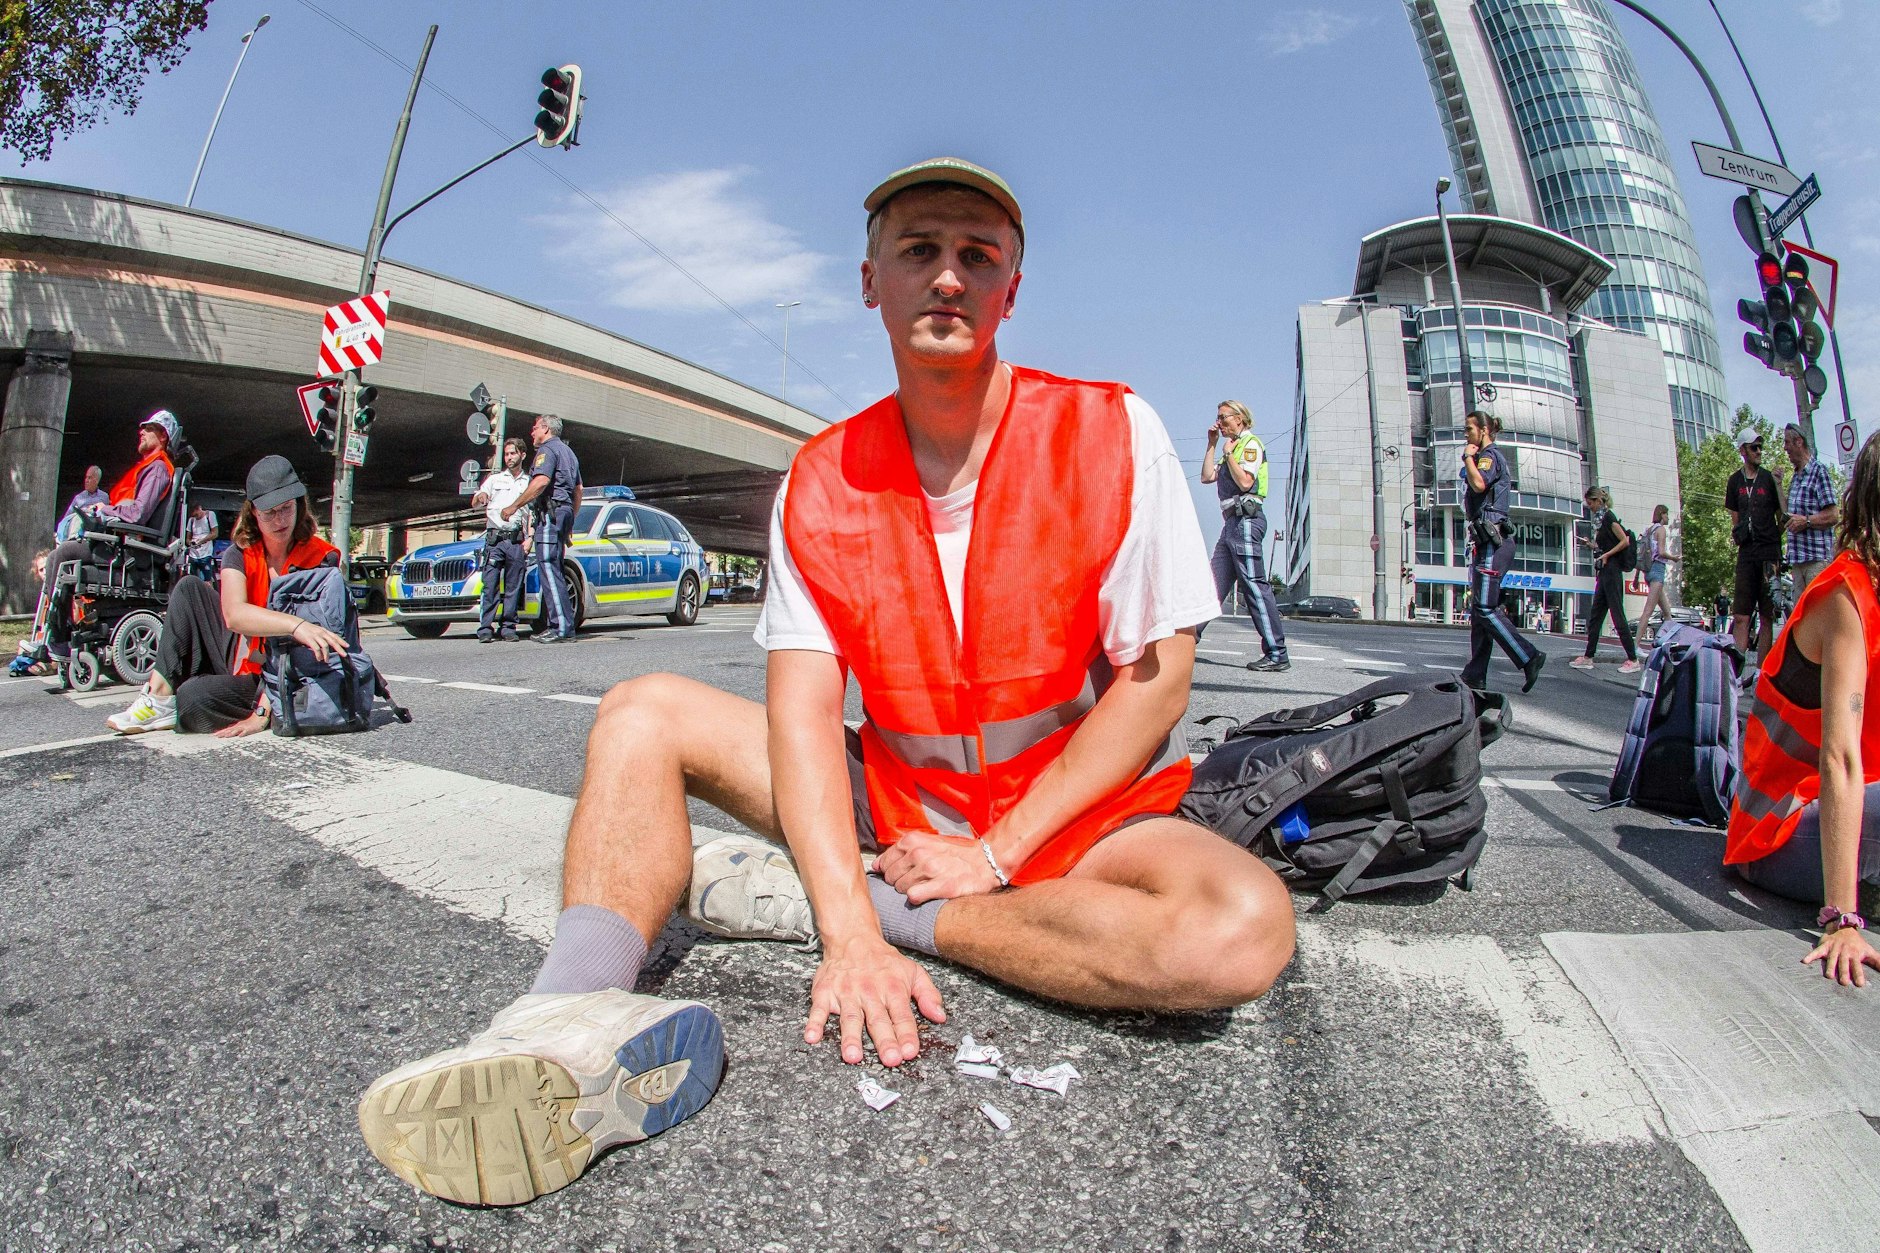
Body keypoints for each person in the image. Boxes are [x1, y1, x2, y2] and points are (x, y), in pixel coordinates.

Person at [358, 156, 1295, 1207]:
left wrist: (984, 857)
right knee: (639, 711)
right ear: (870, 282)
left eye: (975, 256)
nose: (947, 275)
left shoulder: (1111, 430)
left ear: (1010, 291)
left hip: (1072, 819)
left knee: (1237, 929)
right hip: (892, 804)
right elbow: (802, 711)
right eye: (919, 251)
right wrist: (842, 935)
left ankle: (898, 910)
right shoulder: (820, 476)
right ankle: (560, 1016)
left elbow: (1155, 688)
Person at [1727, 429, 1880, 988]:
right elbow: (1838, 758)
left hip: (1839, 816)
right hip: (1779, 830)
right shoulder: (1847, 595)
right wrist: (1841, 918)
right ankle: (1855, 896)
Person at [103, 456, 345, 736]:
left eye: (287, 509)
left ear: (299, 505)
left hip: (283, 672)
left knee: (192, 699)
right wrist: (296, 625)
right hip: (243, 652)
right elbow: (233, 615)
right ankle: (158, 696)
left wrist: (263, 713)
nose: (280, 520)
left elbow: (305, 650)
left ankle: (194, 697)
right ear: (253, 511)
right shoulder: (239, 553)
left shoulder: (322, 558)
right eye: (270, 512)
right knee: (189, 587)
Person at [45, 410, 180, 663]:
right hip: (124, 544)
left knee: (63, 554)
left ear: (162, 436)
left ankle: (59, 637)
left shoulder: (159, 468)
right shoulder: (151, 467)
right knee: (57, 554)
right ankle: (54, 633)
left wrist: (104, 510)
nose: (141, 431)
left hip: (132, 553)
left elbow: (139, 514)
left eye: (148, 428)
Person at [1457, 411, 1545, 693]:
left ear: (1484, 430)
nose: (1466, 434)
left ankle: (1528, 656)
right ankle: (1475, 675)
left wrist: (1468, 457)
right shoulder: (1485, 456)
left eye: (1469, 429)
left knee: (1484, 607)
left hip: (1494, 541)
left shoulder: (1489, 456)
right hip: (1486, 540)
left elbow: (1479, 483)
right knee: (1479, 610)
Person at [1199, 399, 1288, 671]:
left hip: (1246, 521)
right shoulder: (1229, 447)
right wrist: (1212, 444)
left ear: (1240, 419)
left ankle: (1277, 653)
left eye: (1224, 417)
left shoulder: (1249, 445)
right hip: (1232, 524)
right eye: (1218, 417)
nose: (1220, 422)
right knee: (1212, 585)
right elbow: (1205, 477)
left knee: (1254, 586)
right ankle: (1187, 639)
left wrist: (1227, 454)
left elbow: (1246, 482)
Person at [504, 414, 582, 642]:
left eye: (535, 428)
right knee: (555, 568)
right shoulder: (569, 453)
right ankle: (561, 625)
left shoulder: (547, 451)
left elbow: (540, 482)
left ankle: (561, 629)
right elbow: (578, 490)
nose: (532, 432)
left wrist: (513, 506)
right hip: (562, 512)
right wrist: (570, 522)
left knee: (548, 567)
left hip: (549, 513)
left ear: (546, 429)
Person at [1726, 425, 1784, 672]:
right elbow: (1735, 517)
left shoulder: (1769, 478)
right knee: (1741, 615)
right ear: (1743, 450)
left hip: (1769, 555)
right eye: (1754, 447)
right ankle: (1735, 675)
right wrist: (1742, 536)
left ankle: (1762, 674)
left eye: (1760, 447)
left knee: (1768, 615)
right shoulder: (1735, 481)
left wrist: (1771, 535)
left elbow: (1784, 514)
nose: (1759, 451)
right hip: (1747, 554)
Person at [1570, 486, 1641, 673]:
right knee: (1596, 615)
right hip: (1605, 572)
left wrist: (1607, 555)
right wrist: (1591, 545)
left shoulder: (1609, 517)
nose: (1590, 507)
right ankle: (1588, 656)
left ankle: (1633, 659)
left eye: (1591, 503)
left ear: (1598, 501)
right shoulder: (1600, 521)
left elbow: (1624, 540)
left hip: (1613, 572)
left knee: (1617, 616)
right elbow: (1605, 546)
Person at [471, 437, 534, 642]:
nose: (509, 457)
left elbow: (532, 513)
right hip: (495, 540)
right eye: (506, 454)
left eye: (513, 453)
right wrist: (480, 498)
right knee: (490, 585)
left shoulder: (529, 483)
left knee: (514, 586)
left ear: (522, 455)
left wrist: (530, 538)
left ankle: (508, 627)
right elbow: (476, 500)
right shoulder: (495, 480)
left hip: (516, 540)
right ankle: (485, 628)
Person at [1783, 422, 1838, 600]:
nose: (1785, 448)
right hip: (1798, 562)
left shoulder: (1818, 471)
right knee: (1801, 620)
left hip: (1817, 560)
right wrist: (1777, 484)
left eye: (1787, 443)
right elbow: (1788, 514)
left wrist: (1806, 521)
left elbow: (1833, 515)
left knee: (1819, 616)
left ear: (1799, 442)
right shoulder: (1795, 477)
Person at [1633, 505, 1676, 648]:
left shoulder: (1648, 531)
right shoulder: (1660, 530)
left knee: (1667, 613)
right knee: (1648, 612)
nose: (1668, 517)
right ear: (1662, 514)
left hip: (1647, 571)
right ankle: (1635, 646)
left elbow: (1641, 554)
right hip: (1658, 570)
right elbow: (1662, 552)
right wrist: (1674, 558)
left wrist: (1636, 577)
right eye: (1667, 514)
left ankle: (1668, 642)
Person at [53, 465, 106, 542]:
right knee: (78, 516)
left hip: (95, 529)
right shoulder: (78, 498)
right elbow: (67, 517)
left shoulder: (104, 497)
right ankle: (72, 538)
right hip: (79, 530)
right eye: (86, 477)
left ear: (97, 480)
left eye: (89, 478)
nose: (86, 480)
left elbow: (104, 516)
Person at [185, 502, 219, 584]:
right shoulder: (192, 520)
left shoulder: (210, 515)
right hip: (193, 554)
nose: (196, 517)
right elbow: (187, 538)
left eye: (196, 515)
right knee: (192, 578)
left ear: (199, 508)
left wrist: (201, 541)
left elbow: (215, 533)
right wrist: (191, 543)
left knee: (207, 579)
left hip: (206, 553)